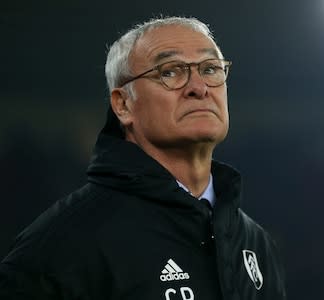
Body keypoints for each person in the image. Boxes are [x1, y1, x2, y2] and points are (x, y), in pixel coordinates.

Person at [0, 17, 287, 299]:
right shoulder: (64, 245)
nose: (199, 87)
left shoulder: (255, 241)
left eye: (210, 68)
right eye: (170, 72)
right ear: (123, 105)